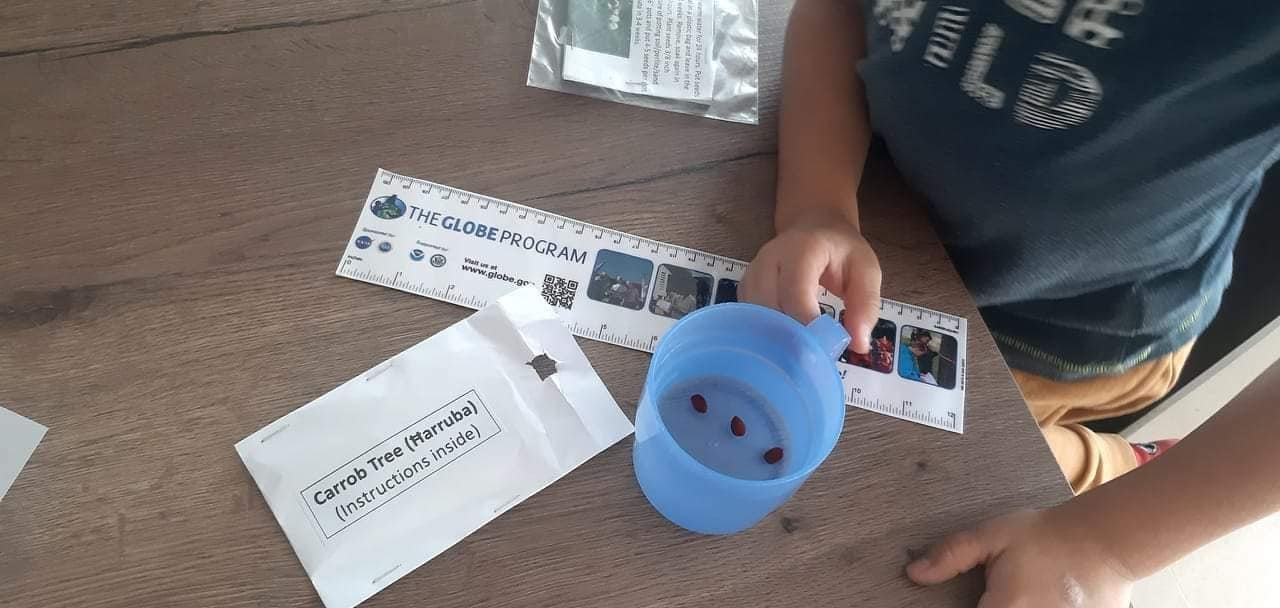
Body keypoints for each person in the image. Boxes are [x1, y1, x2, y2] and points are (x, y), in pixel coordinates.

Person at [739, 1, 1280, 605]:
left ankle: (1114, 470)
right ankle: (1108, 467)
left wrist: (1108, 542)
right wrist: (819, 204)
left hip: (1067, 333)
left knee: (972, 462)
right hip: (889, 210)